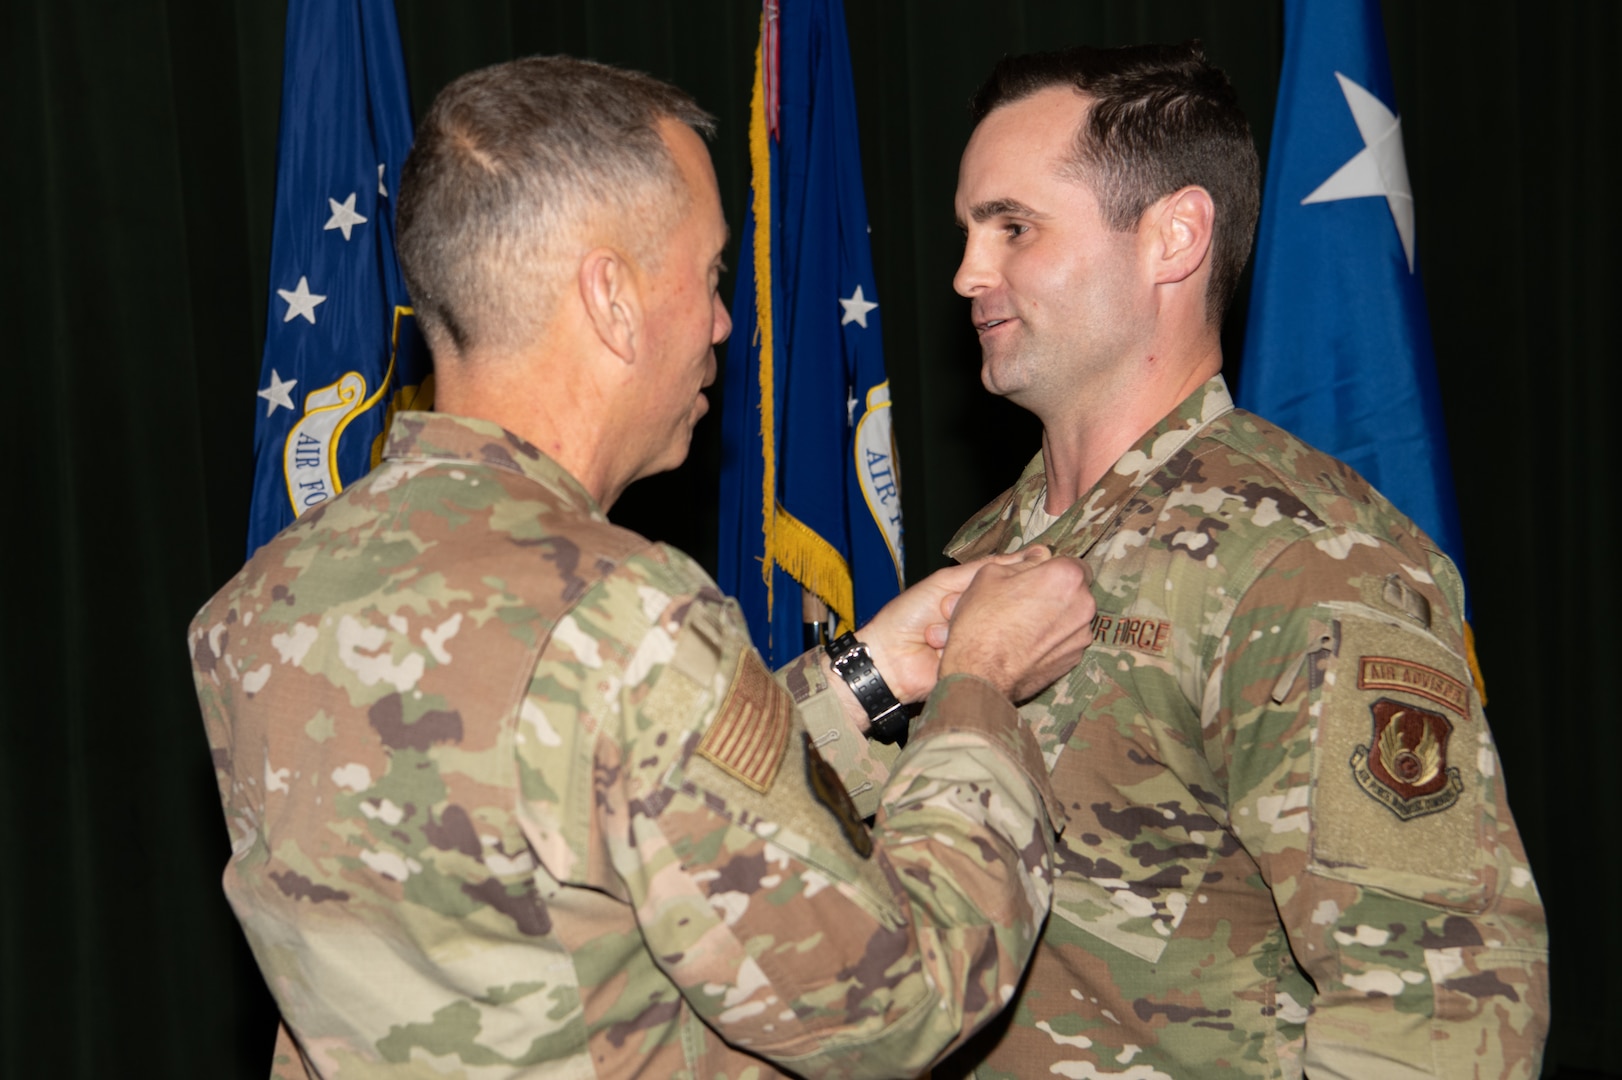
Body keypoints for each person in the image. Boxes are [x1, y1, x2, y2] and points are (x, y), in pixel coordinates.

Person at [187, 57, 1097, 1079]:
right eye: (709, 275)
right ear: (611, 297)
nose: (721, 322)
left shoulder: (260, 608)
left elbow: (583, 811)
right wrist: (979, 689)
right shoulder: (622, 617)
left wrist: (866, 678)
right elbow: (901, 1005)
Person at [917, 43, 1546, 1078]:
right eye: (968, 232)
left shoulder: (1304, 561)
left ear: (1172, 237)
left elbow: (1437, 1018)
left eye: (1012, 228)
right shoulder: (986, 553)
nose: (966, 274)